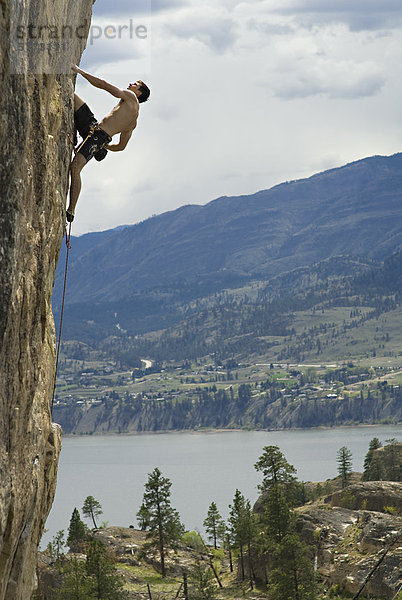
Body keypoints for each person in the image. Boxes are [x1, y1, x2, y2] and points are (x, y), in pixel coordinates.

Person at [66, 65, 150, 222]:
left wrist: (80, 71)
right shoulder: (133, 122)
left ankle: (71, 210)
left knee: (75, 167)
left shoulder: (131, 97)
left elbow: (104, 85)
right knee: (73, 98)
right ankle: (92, 144)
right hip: (96, 132)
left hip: (96, 137)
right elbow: (121, 146)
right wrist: (105, 146)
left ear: (138, 93)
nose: (131, 84)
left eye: (135, 84)